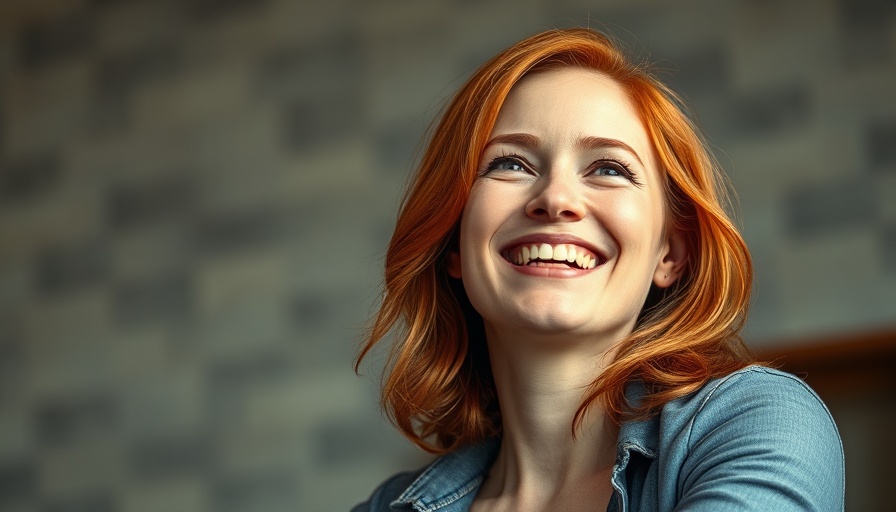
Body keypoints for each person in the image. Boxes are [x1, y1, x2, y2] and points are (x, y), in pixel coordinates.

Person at [352, 28, 844, 512]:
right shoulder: (388, 506)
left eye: (609, 169)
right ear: (454, 243)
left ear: (668, 255)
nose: (556, 199)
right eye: (511, 164)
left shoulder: (759, 423)